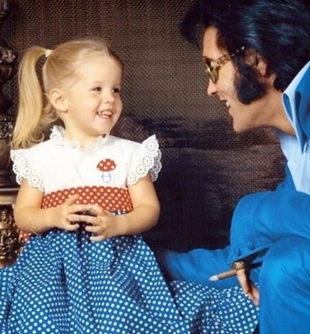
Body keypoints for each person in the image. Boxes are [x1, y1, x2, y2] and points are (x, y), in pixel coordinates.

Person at [156, 0, 310, 334]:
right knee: (282, 259)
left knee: (291, 265)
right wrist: (147, 261)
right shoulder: (302, 132)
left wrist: (258, 210)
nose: (210, 88)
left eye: (212, 67)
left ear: (254, 59)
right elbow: (247, 261)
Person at [0, 38, 195, 333]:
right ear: (60, 99)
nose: (111, 99)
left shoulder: (130, 153)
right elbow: (24, 214)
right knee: (36, 312)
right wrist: (51, 216)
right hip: (53, 265)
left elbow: (149, 209)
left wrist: (119, 224)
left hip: (114, 258)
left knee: (119, 316)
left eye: (116, 89)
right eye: (97, 89)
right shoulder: (41, 158)